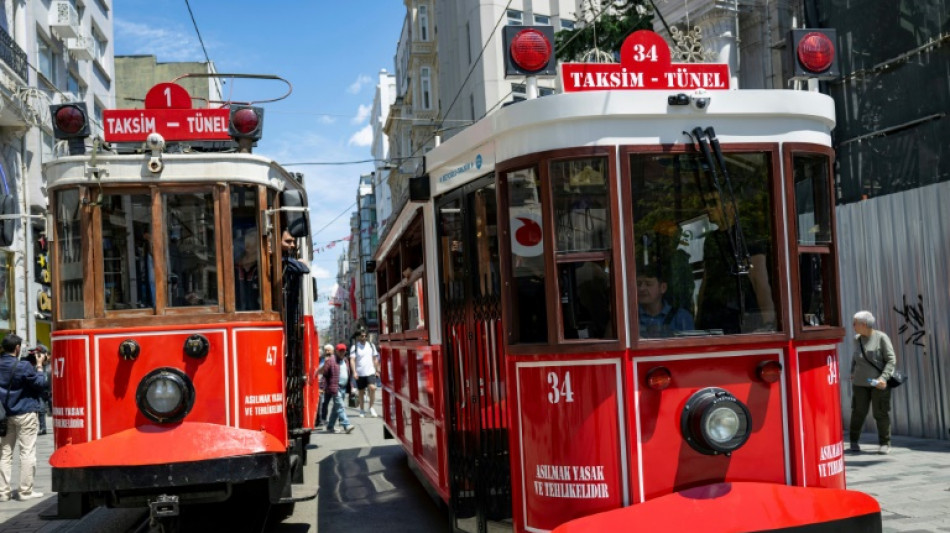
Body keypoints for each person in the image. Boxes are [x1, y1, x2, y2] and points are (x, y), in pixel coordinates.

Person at [0, 334, 49, 501]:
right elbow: (40, 384)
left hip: (4, 416)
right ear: (17, 348)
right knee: (26, 452)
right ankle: (25, 491)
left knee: (5, 454)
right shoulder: (24, 366)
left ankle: (3, 492)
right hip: (25, 413)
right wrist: (40, 366)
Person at [849, 311, 896, 455]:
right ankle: (854, 441)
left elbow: (891, 360)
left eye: (855, 323)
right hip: (860, 384)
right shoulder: (857, 339)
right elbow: (855, 358)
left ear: (864, 324)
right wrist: (852, 371)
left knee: (880, 413)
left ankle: (884, 443)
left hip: (878, 384)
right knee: (858, 412)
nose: (853, 326)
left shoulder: (881, 338)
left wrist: (884, 378)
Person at [637, 266, 694, 337]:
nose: (641, 288)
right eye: (638, 284)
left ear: (663, 288)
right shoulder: (629, 317)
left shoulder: (681, 317)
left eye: (648, 284)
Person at [322, 343, 355, 434]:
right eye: (340, 351)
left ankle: (330, 426)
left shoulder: (345, 360)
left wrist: (351, 386)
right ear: (336, 351)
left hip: (344, 388)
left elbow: (348, 374)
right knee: (340, 406)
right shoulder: (331, 361)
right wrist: (322, 387)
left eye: (343, 351)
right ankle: (346, 425)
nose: (342, 352)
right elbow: (325, 375)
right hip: (335, 387)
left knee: (336, 409)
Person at [350, 330, 380, 417]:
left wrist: (377, 370)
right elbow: (352, 360)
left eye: (365, 336)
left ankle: (371, 407)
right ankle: (362, 410)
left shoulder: (371, 345)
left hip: (370, 371)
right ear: (358, 337)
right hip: (359, 373)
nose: (364, 338)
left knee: (373, 388)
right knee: (361, 392)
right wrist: (354, 372)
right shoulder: (354, 347)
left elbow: (375, 359)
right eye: (362, 336)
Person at [315, 343, 334, 429]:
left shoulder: (335, 359)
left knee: (337, 402)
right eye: (326, 350)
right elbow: (319, 371)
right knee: (323, 403)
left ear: (332, 351)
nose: (327, 352)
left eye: (329, 350)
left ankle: (340, 420)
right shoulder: (321, 359)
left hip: (332, 383)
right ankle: (322, 419)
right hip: (322, 383)